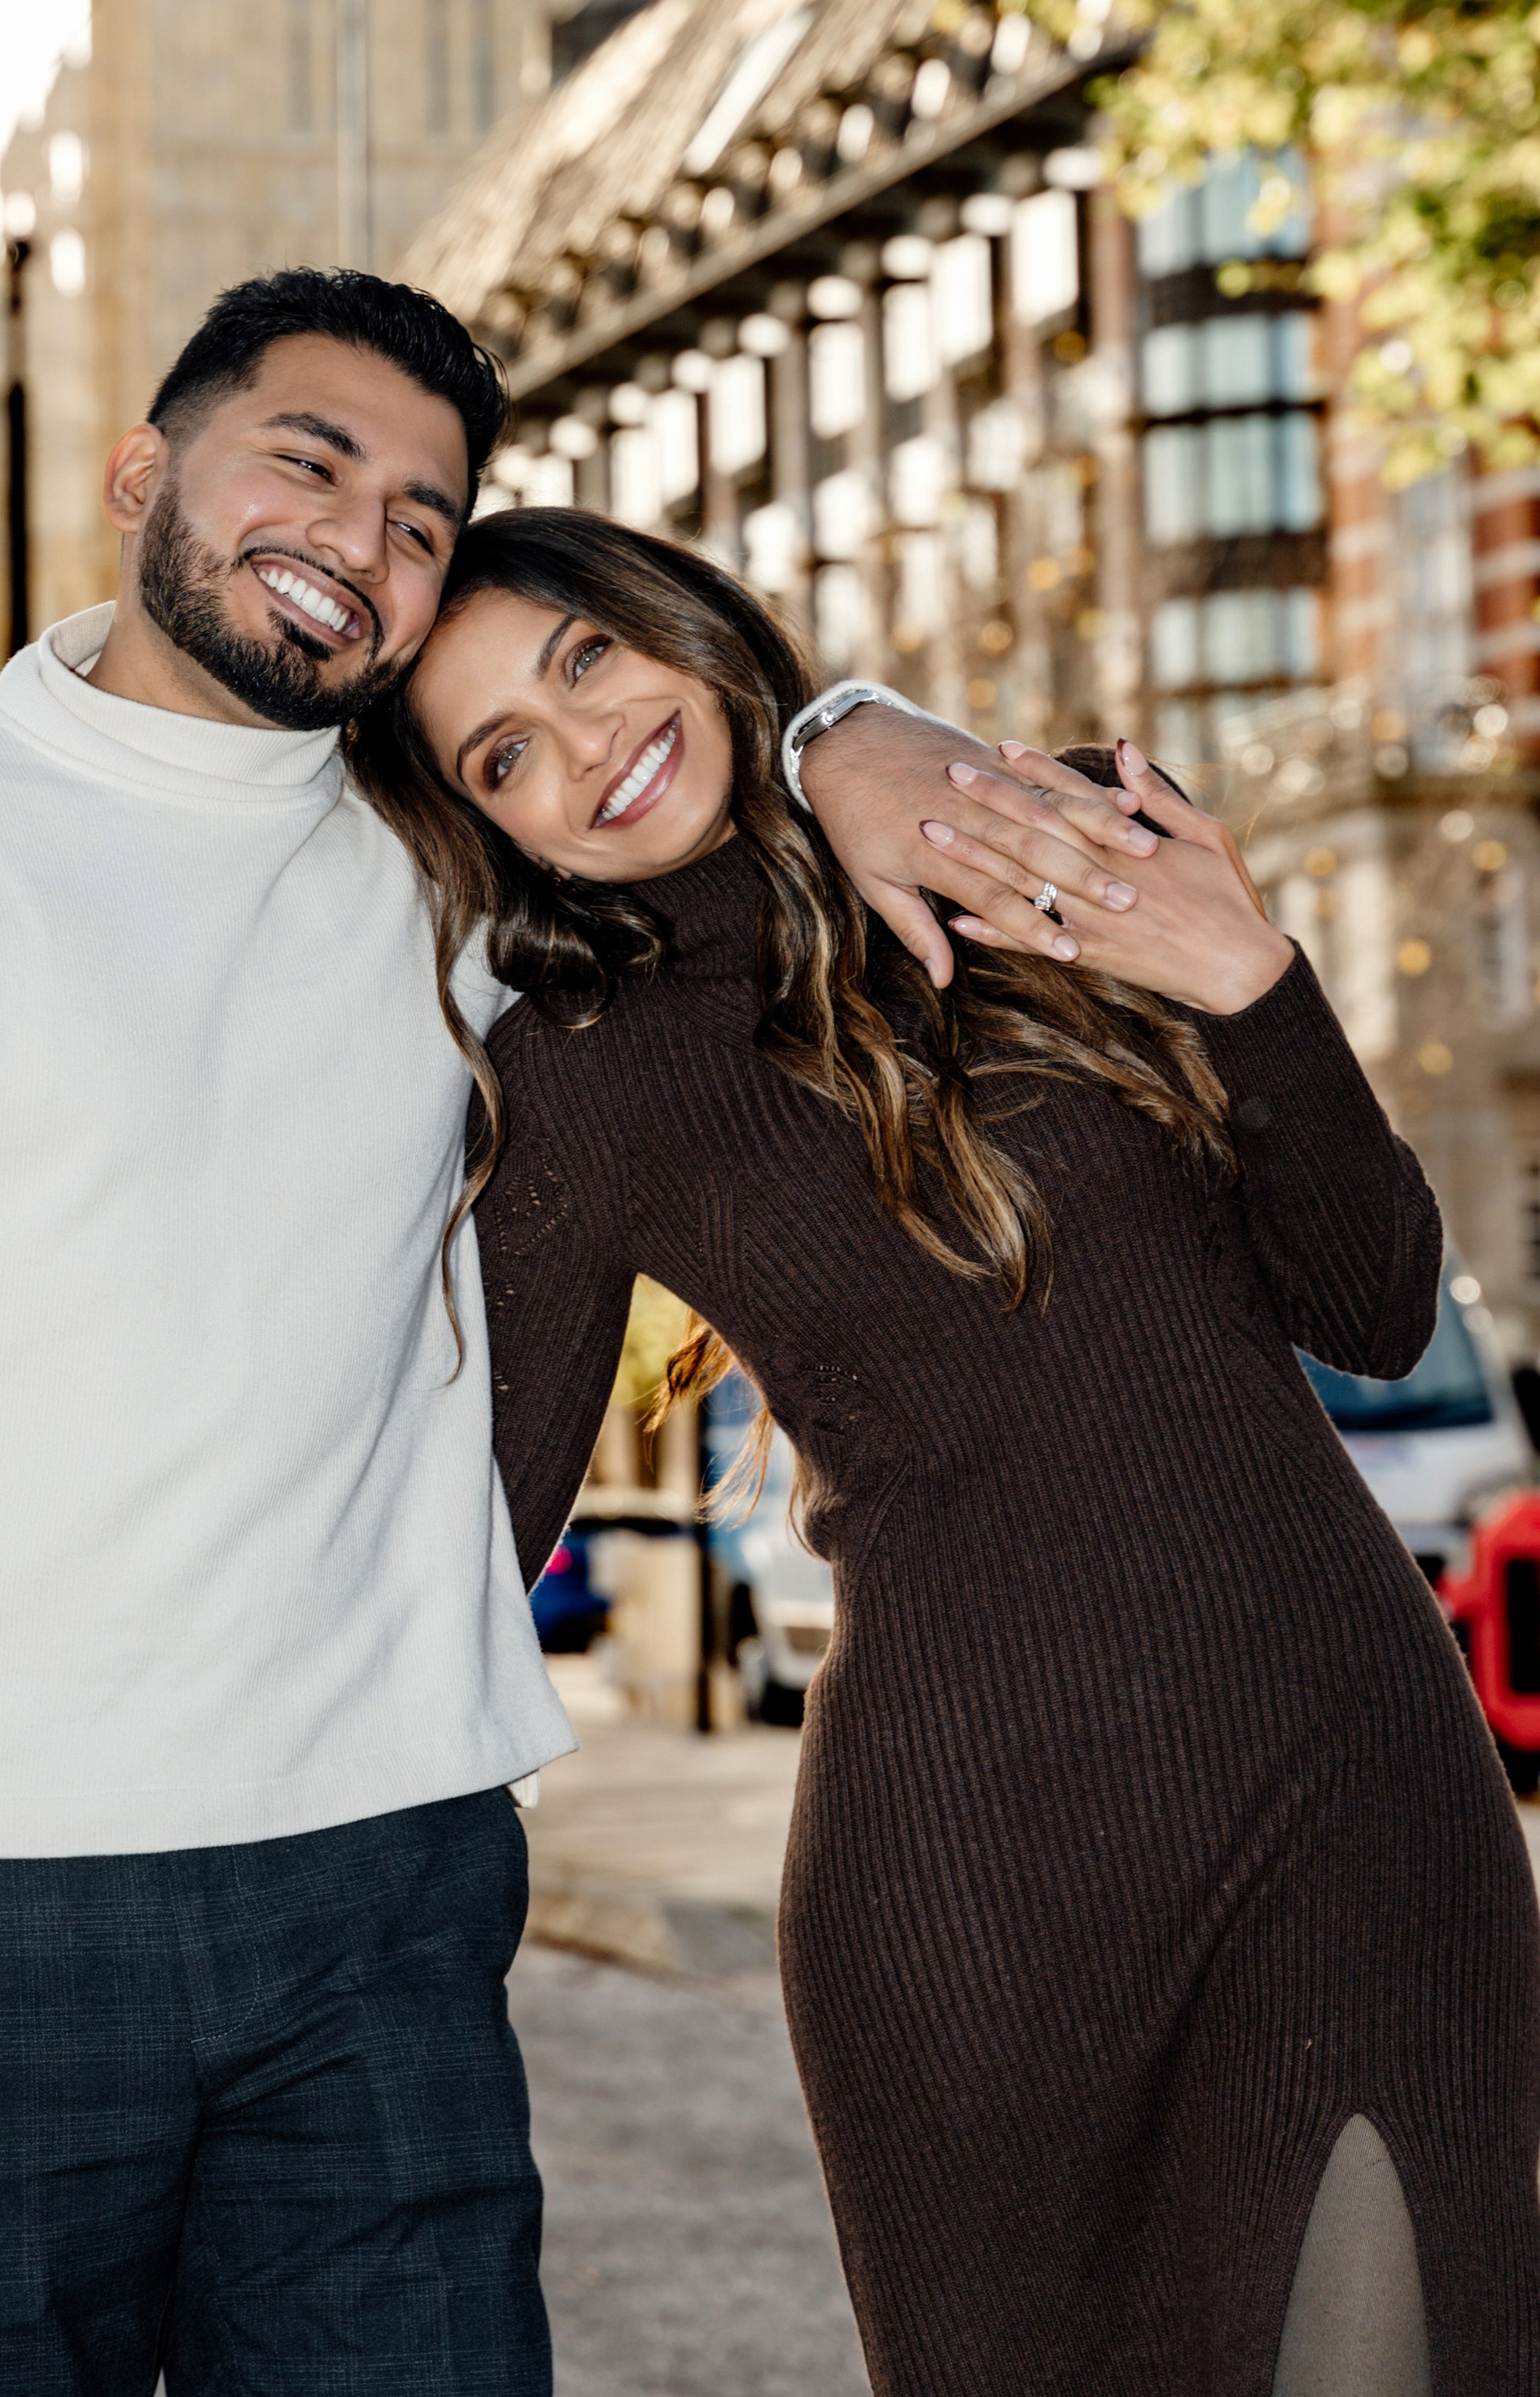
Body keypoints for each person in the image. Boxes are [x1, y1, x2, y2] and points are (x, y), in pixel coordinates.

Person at [0, 271, 1087, 2397]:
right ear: (141, 474)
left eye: (418, 517)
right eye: (306, 461)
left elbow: (687, 803)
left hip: (386, 1899)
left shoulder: (457, 870)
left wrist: (838, 730)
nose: (358, 537)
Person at [352, 504, 1540, 2397]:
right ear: (486, 829)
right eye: (504, 756)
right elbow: (450, 1543)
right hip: (969, 1883)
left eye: (586, 658)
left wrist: (1251, 980)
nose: (584, 744)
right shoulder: (577, 1082)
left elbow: (1374, 1303)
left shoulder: (1042, 832)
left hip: (1343, 1797)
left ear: (679, 620)